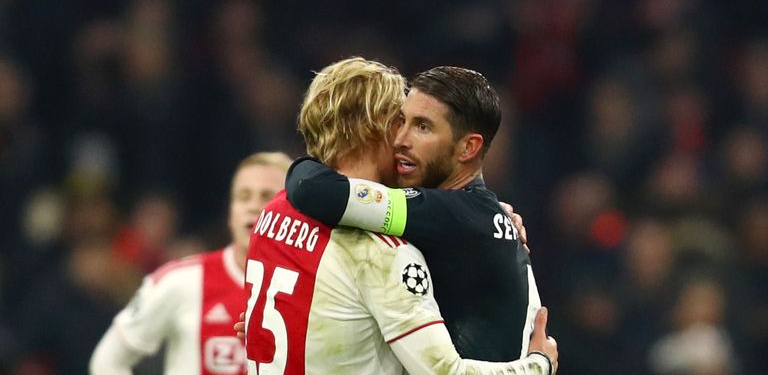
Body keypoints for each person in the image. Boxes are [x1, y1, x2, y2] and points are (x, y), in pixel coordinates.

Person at [244, 57, 557, 374]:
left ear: (468, 148)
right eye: (400, 121)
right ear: (372, 127)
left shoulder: (274, 212)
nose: (402, 139)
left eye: (421, 127)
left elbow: (317, 193)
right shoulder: (382, 251)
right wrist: (539, 365)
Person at [90, 152, 292, 375]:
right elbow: (107, 361)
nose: (252, 207)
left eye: (266, 197)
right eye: (243, 197)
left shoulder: (318, 287)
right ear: (230, 213)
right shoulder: (182, 280)